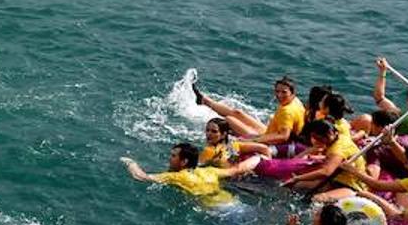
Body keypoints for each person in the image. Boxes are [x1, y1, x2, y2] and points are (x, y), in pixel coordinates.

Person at [120, 143, 260, 208]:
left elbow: (141, 177)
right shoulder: (208, 171)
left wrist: (130, 163)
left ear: (184, 161)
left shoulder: (178, 176)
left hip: (220, 212)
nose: (170, 158)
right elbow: (237, 169)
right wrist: (260, 158)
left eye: (173, 156)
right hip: (236, 204)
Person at [347, 139, 408, 225]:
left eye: (407, 164)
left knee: (364, 194)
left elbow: (377, 186)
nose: (405, 166)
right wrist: (391, 141)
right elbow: (405, 157)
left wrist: (353, 171)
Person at [196, 76, 305, 147]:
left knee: (229, 120)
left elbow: (283, 136)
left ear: (293, 92)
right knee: (238, 113)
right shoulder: (295, 101)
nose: (279, 95)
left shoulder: (287, 111)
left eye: (284, 92)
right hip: (269, 132)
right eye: (277, 91)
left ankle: (217, 142)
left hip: (271, 142)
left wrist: (255, 140)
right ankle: (204, 100)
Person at [280, 119, 364, 194]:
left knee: (300, 187)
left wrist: (297, 178)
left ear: (326, 135)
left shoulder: (337, 150)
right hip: (338, 176)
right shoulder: (339, 136)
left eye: (317, 138)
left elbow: (326, 172)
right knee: (298, 184)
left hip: (349, 184)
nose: (316, 140)